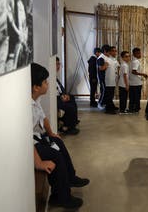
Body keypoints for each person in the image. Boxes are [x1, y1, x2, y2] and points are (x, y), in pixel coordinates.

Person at [31, 63, 89, 209]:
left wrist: (51, 134)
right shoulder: (26, 106)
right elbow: (25, 139)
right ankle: (62, 197)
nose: (48, 84)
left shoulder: (34, 99)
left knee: (59, 143)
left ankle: (70, 177)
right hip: (30, 145)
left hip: (35, 138)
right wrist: (38, 163)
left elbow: (43, 118)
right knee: (55, 155)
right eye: (45, 82)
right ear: (36, 87)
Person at [56, 57, 79, 135]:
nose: (58, 66)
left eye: (59, 64)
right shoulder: (50, 77)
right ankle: (69, 127)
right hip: (56, 99)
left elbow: (60, 89)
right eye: (57, 64)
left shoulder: (55, 76)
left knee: (72, 98)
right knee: (70, 107)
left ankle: (73, 121)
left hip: (60, 96)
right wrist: (62, 97)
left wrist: (65, 95)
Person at [128, 47, 148, 113]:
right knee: (136, 97)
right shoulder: (136, 61)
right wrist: (143, 74)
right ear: (134, 54)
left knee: (132, 97)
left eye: (140, 53)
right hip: (136, 82)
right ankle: (136, 109)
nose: (140, 54)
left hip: (132, 82)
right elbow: (134, 71)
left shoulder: (131, 61)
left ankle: (131, 108)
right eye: (138, 53)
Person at [104, 46, 119, 114]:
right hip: (109, 80)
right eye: (113, 51)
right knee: (109, 95)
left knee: (111, 94)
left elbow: (118, 66)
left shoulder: (114, 59)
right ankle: (108, 109)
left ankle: (111, 106)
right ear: (109, 52)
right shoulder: (107, 59)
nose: (115, 52)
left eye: (115, 51)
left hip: (113, 79)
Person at [97, 44, 109, 110]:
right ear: (104, 51)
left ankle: (103, 103)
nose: (109, 53)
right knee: (103, 90)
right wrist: (106, 65)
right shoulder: (101, 58)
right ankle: (100, 103)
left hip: (105, 77)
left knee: (105, 90)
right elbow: (101, 68)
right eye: (108, 52)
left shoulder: (104, 57)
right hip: (101, 77)